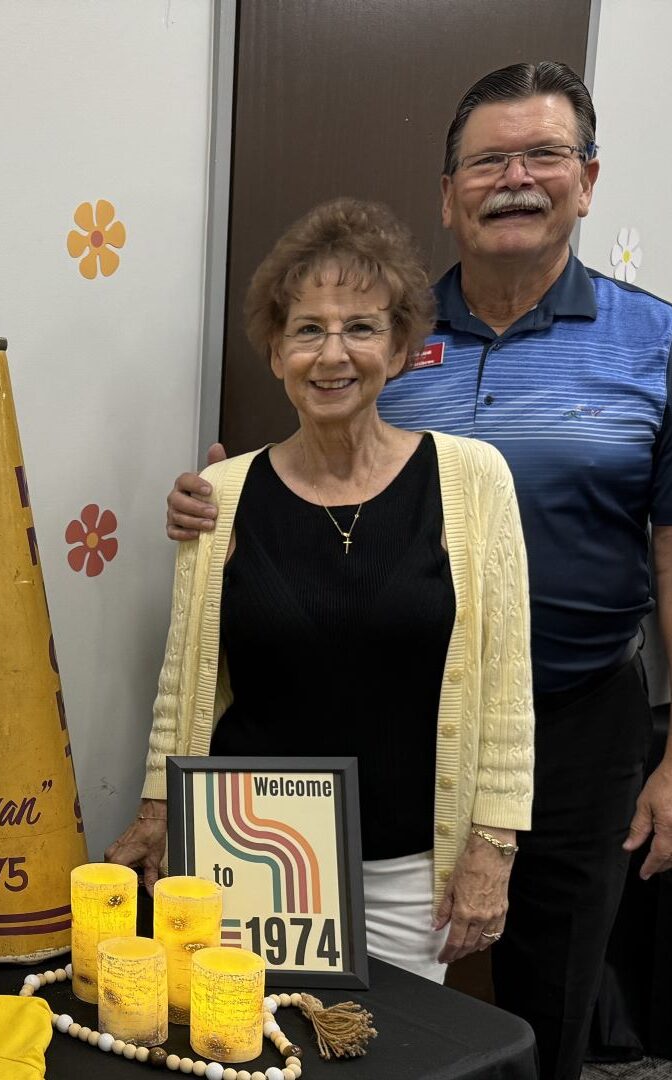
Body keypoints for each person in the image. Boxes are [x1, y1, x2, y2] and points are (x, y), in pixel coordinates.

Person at [156, 62, 672, 1080]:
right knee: (332, 1028)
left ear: (587, 176)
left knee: (546, 1005)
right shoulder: (393, 324)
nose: (513, 178)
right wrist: (215, 502)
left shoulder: (651, 341)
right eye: (487, 161)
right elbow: (323, 475)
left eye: (542, 155)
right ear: (447, 194)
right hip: (392, 738)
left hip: (573, 723)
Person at [109, 196, 533, 986]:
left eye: (361, 328)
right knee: (241, 1049)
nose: (332, 353)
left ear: (402, 348)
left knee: (385, 1054)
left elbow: (507, 690)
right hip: (245, 853)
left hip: (408, 875)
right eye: (307, 329)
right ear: (275, 353)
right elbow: (186, 680)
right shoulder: (220, 493)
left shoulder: (474, 481)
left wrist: (494, 846)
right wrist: (159, 808)